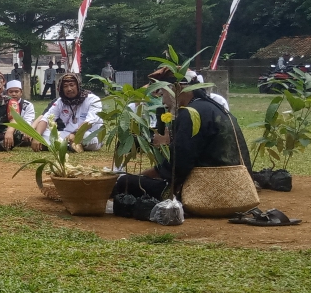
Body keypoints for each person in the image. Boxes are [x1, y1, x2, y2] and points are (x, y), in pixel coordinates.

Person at [113, 67, 252, 203]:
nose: (163, 102)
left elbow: (176, 168)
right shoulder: (215, 107)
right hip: (237, 185)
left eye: (163, 94)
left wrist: (139, 176)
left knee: (125, 183)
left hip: (207, 189)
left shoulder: (190, 113)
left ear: (177, 88)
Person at [32, 73, 103, 152]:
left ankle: (60, 145)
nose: (69, 89)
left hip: (88, 133)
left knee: (88, 137)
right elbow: (46, 118)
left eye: (72, 85)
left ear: (78, 86)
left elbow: (90, 121)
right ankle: (70, 146)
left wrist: (75, 134)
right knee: (44, 133)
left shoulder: (93, 100)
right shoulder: (60, 102)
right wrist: (37, 136)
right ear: (61, 89)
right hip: (67, 135)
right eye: (65, 86)